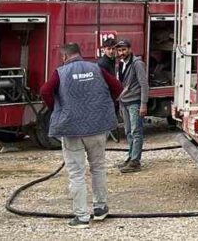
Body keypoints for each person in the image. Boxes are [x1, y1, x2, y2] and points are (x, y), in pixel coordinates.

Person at [39, 43, 122, 228]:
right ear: (80, 54)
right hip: (97, 127)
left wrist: (57, 108)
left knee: (76, 173)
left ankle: (82, 217)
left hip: (72, 130)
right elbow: (117, 87)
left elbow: (45, 91)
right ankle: (100, 208)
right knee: (98, 168)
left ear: (64, 57)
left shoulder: (60, 72)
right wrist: (104, 106)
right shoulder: (96, 68)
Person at [114, 39, 148, 174]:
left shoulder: (137, 64)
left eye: (124, 50)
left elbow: (144, 84)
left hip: (134, 102)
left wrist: (143, 104)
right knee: (128, 132)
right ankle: (131, 157)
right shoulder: (121, 64)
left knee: (136, 132)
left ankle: (135, 161)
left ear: (130, 49)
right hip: (125, 103)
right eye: (119, 50)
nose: (121, 53)